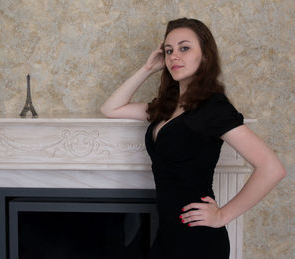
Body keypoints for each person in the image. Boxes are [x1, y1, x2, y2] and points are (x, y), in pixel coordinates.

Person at [100, 18, 286, 259]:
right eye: (169, 51)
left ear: (205, 56)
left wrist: (222, 215)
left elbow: (272, 168)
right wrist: (147, 69)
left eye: (184, 48)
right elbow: (111, 108)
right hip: (167, 234)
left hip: (198, 239)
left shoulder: (214, 108)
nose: (174, 56)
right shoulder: (166, 107)